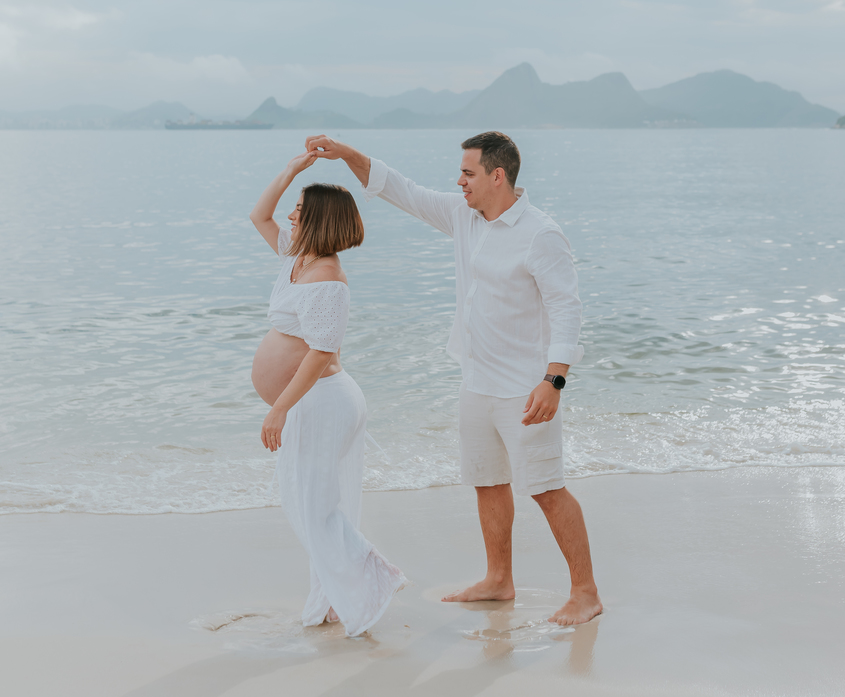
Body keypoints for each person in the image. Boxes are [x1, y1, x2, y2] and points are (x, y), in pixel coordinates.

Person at [306, 131, 602, 626]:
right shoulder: (465, 217)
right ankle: (499, 580)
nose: (459, 181)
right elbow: (402, 190)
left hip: (526, 387)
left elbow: (567, 309)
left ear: (497, 175)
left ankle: (586, 592)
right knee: (487, 483)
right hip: (477, 380)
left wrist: (554, 381)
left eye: (467, 173)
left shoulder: (541, 233)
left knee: (547, 488)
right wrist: (347, 155)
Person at [249, 150, 406, 637]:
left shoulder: (328, 278)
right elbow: (259, 214)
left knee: (314, 507)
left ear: (318, 218)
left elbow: (320, 354)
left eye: (300, 207)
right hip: (309, 401)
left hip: (322, 400)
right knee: (305, 504)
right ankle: (333, 601)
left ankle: (376, 576)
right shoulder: (297, 257)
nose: (290, 214)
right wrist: (293, 170)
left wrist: (278, 407)